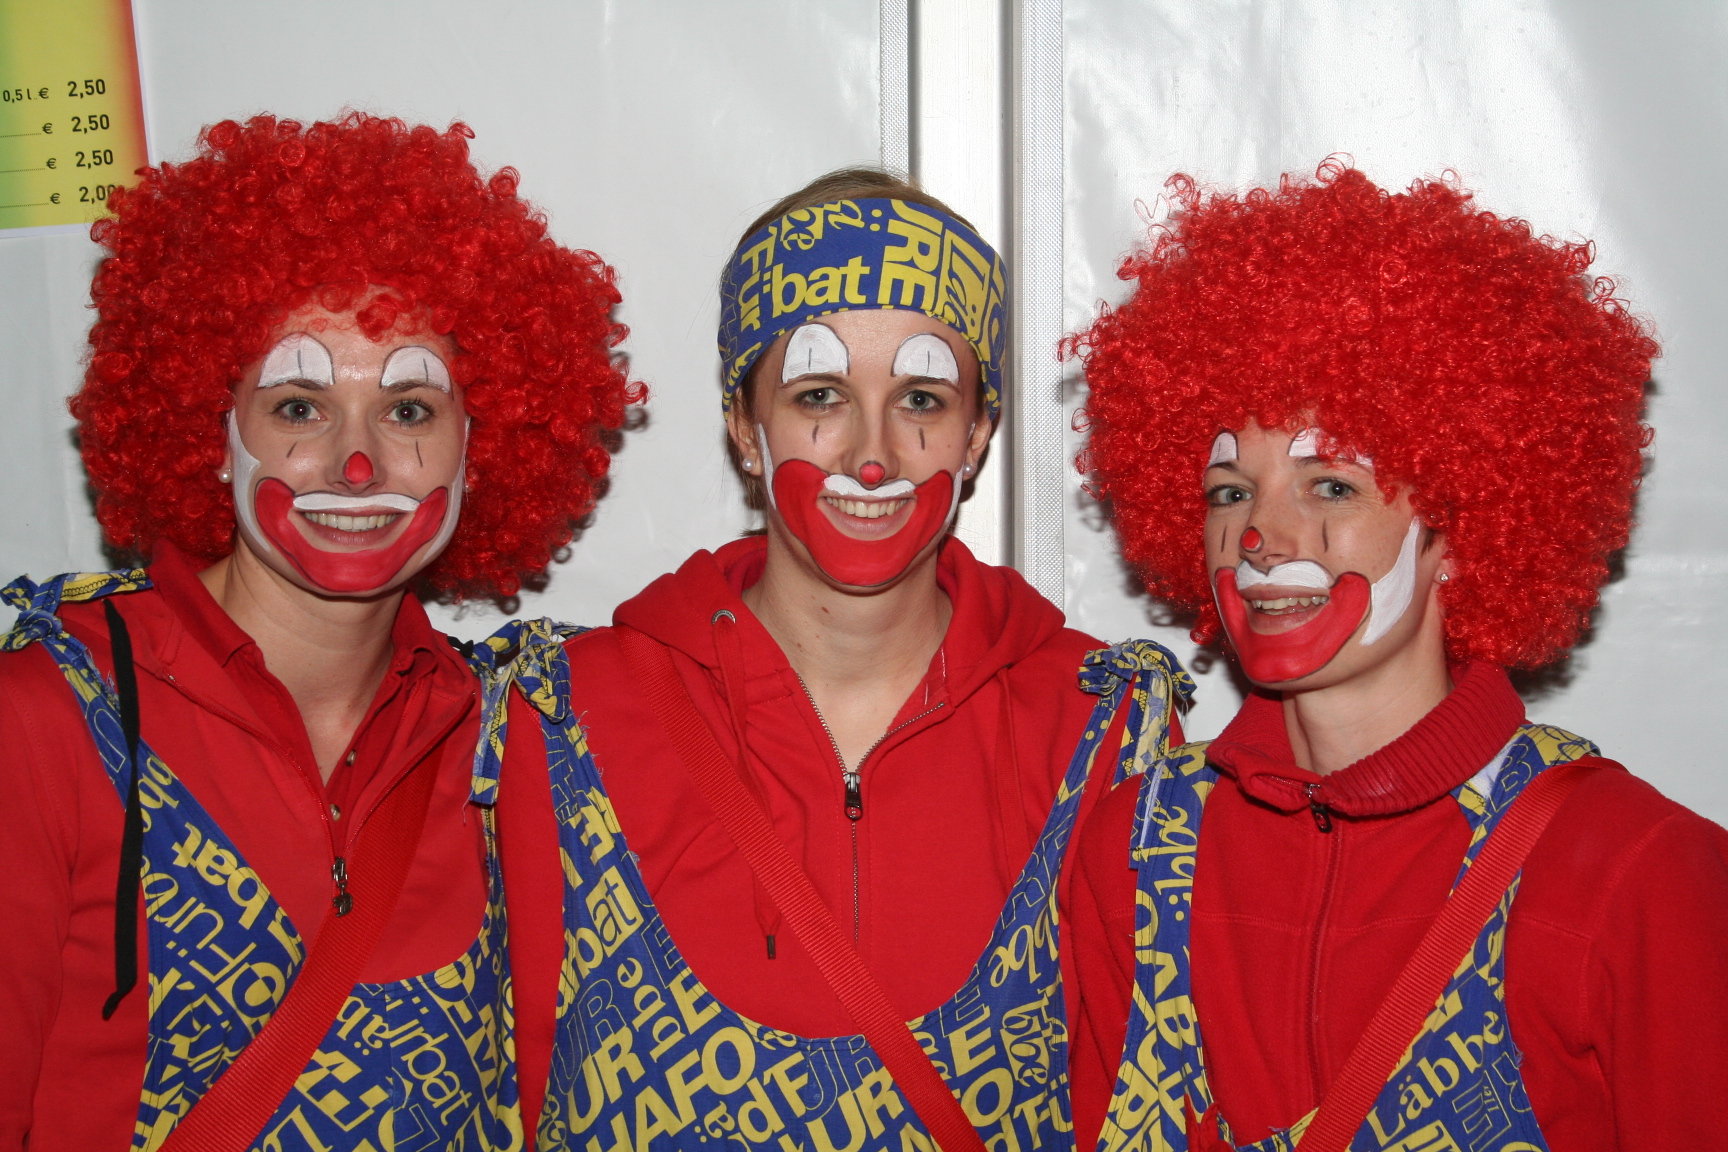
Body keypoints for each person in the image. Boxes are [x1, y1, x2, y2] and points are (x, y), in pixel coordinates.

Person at [492, 169, 1187, 1152]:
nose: (872, 455)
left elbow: (1140, 1108)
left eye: (921, 399)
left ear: (978, 435)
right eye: (820, 395)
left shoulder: (1103, 732)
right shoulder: (564, 719)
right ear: (745, 427)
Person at [0, 113, 638, 1151]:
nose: (356, 464)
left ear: (479, 447)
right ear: (213, 432)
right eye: (299, 407)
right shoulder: (48, 720)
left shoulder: (502, 742)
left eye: (409, 410)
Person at [1063, 161, 1728, 1151]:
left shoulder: (1634, 871)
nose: (1260, 538)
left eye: (1330, 486)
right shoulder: (1134, 852)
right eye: (1229, 493)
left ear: (1462, 526)